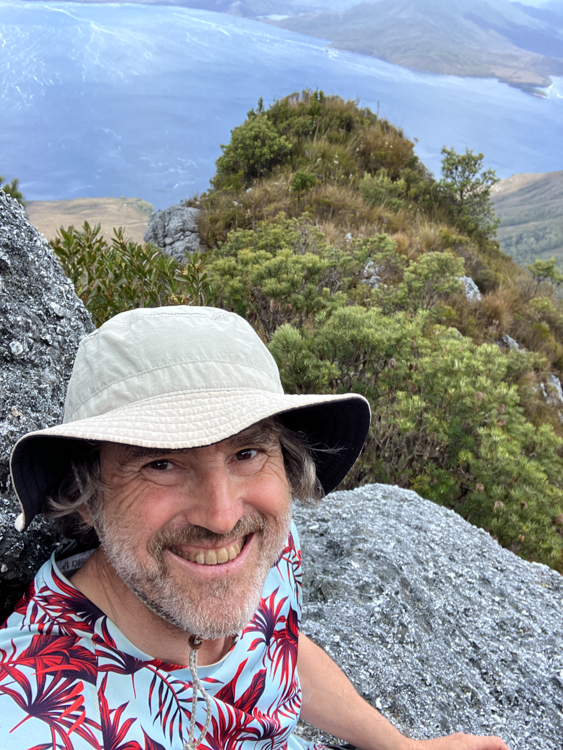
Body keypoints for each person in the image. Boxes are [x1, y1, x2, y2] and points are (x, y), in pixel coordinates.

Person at [1, 306, 510, 750]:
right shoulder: (36, 717)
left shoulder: (263, 545)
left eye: (247, 453)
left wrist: (400, 746)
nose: (222, 518)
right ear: (87, 496)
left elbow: (280, 647)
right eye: (160, 463)